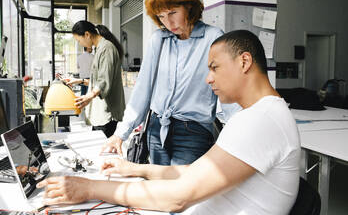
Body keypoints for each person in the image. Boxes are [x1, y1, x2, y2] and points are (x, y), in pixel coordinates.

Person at [37, 30, 301, 214]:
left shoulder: (260, 121)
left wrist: (90, 188)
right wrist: (135, 169)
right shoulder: (258, 115)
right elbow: (195, 171)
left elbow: (178, 198)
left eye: (214, 67)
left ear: (244, 61)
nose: (208, 79)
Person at [101, 0, 240, 165]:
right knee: (157, 186)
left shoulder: (213, 38)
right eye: (161, 17)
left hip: (193, 131)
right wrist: (120, 134)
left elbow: (227, 89)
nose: (169, 23)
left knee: (181, 190)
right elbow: (143, 90)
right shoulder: (159, 40)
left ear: (188, 6)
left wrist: (240, 133)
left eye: (173, 13)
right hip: (156, 128)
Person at [65, 21, 125, 138]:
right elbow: (99, 81)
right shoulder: (100, 49)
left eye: (79, 40)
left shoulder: (106, 49)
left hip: (107, 115)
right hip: (100, 115)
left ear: (87, 34)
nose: (80, 43)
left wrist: (88, 96)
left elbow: (104, 81)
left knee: (105, 153)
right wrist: (79, 81)